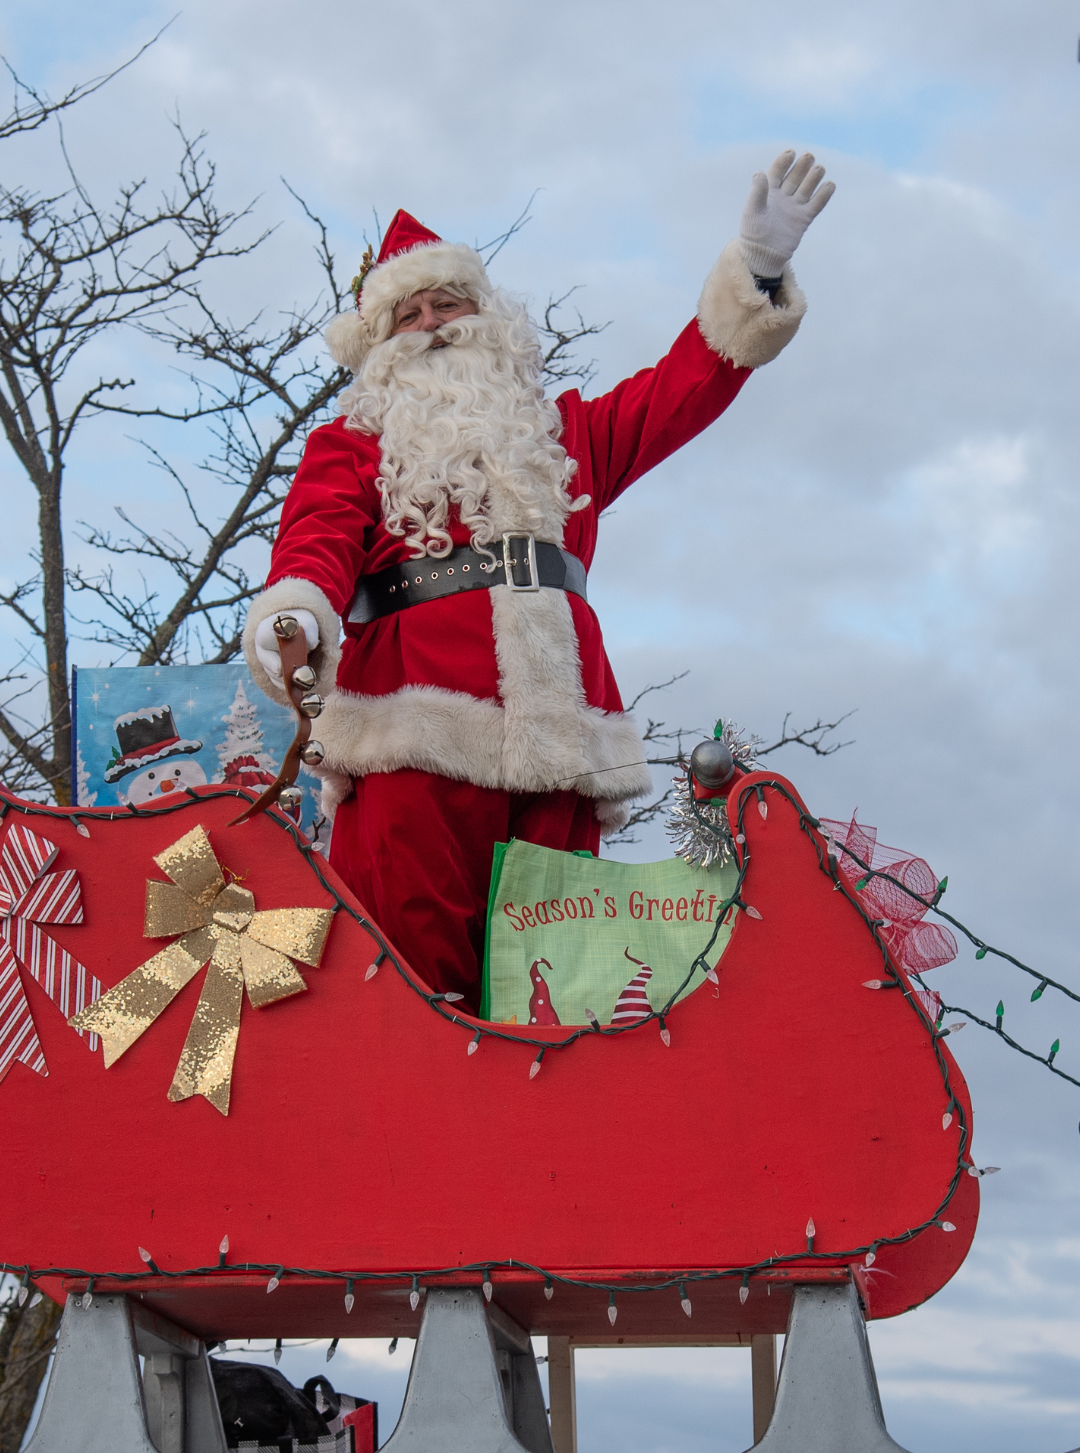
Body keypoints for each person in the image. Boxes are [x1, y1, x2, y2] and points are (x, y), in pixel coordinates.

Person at [243, 152, 834, 1006]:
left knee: (551, 985)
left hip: (557, 734)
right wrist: (295, 610)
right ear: (379, 350)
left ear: (489, 319)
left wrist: (758, 269)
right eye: (407, 315)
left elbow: (681, 390)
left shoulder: (566, 433)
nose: (432, 323)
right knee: (409, 980)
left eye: (448, 303)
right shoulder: (354, 446)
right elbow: (316, 539)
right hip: (415, 726)